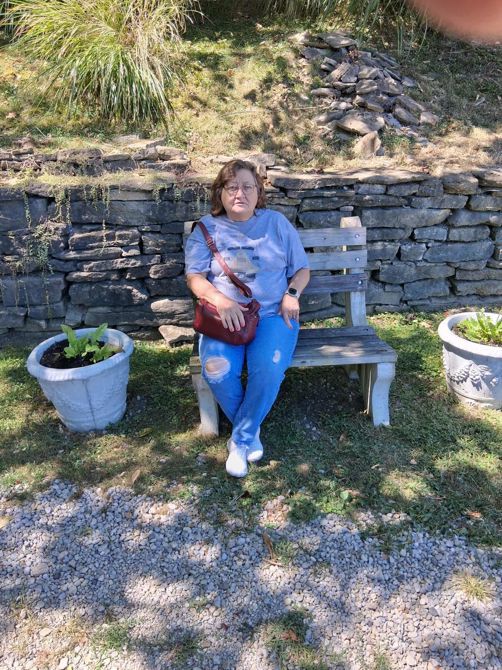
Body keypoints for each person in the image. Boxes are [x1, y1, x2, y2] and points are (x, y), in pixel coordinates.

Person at [185, 159, 310, 478]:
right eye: (231, 187)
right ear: (220, 193)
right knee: (216, 370)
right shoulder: (206, 229)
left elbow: (301, 270)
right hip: (224, 318)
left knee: (267, 369)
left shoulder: (277, 224)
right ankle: (250, 429)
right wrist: (220, 300)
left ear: (258, 193)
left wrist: (291, 294)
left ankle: (240, 440)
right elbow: (195, 278)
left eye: (247, 187)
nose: (239, 193)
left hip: (272, 315)